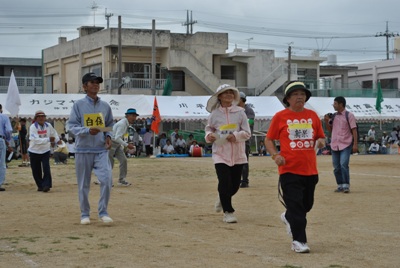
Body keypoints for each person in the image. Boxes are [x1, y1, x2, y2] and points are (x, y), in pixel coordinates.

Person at [265, 81, 325, 253]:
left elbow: (321, 137)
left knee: (306, 205)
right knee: (298, 208)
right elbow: (268, 139)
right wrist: (275, 155)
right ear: (288, 99)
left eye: (303, 94)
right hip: (289, 170)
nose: (300, 97)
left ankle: (288, 216)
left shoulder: (313, 116)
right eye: (295, 94)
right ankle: (299, 241)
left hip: (310, 170)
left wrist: (321, 142)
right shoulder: (280, 117)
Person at [67, 72, 114, 225]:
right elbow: (72, 126)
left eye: (97, 82)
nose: (95, 85)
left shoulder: (105, 106)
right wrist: (87, 130)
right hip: (82, 150)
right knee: (83, 184)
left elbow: (109, 124)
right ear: (84, 86)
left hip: (101, 150)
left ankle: (103, 212)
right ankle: (84, 214)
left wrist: (108, 136)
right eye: (92, 82)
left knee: (107, 180)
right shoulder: (78, 105)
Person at [205, 84, 251, 223]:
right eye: (226, 93)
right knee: (224, 182)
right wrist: (210, 136)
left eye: (231, 93)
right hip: (220, 153)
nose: (229, 95)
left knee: (235, 185)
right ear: (219, 96)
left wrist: (235, 136)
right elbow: (208, 129)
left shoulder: (240, 112)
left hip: (238, 154)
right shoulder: (214, 114)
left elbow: (247, 133)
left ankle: (222, 197)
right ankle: (228, 212)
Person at [324, 96, 358, 193]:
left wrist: (355, 144)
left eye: (335, 103)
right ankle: (340, 185)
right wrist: (326, 121)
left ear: (341, 104)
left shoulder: (349, 115)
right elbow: (330, 130)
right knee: (336, 167)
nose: (334, 105)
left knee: (343, 164)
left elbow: (354, 130)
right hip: (335, 144)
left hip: (346, 144)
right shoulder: (334, 116)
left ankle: (346, 185)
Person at [28, 110, 61, 192]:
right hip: (34, 151)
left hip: (45, 150)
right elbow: (35, 140)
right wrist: (48, 139)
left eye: (43, 116)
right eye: (39, 117)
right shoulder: (33, 127)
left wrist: (57, 140)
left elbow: (54, 133)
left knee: (46, 167)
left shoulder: (48, 125)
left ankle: (46, 185)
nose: (41, 118)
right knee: (36, 169)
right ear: (36, 118)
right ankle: (40, 185)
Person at [108, 108, 139, 186]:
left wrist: (126, 144)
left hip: (117, 144)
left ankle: (121, 180)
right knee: (109, 163)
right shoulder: (122, 124)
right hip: (111, 143)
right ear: (127, 116)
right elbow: (116, 137)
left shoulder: (126, 124)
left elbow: (119, 137)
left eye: (135, 116)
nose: (134, 118)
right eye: (133, 116)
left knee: (124, 160)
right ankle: (106, 180)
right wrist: (127, 145)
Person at [238, 92, 255, 188]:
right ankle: (238, 179)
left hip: (245, 139)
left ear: (242, 99)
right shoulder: (235, 110)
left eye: (238, 98)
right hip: (236, 139)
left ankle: (244, 181)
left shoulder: (248, 110)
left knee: (244, 160)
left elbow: (251, 121)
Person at [0, 104, 13, 191]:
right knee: (1, 163)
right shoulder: (4, 117)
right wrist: (8, 140)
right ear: (1, 109)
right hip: (0, 139)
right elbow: (8, 130)